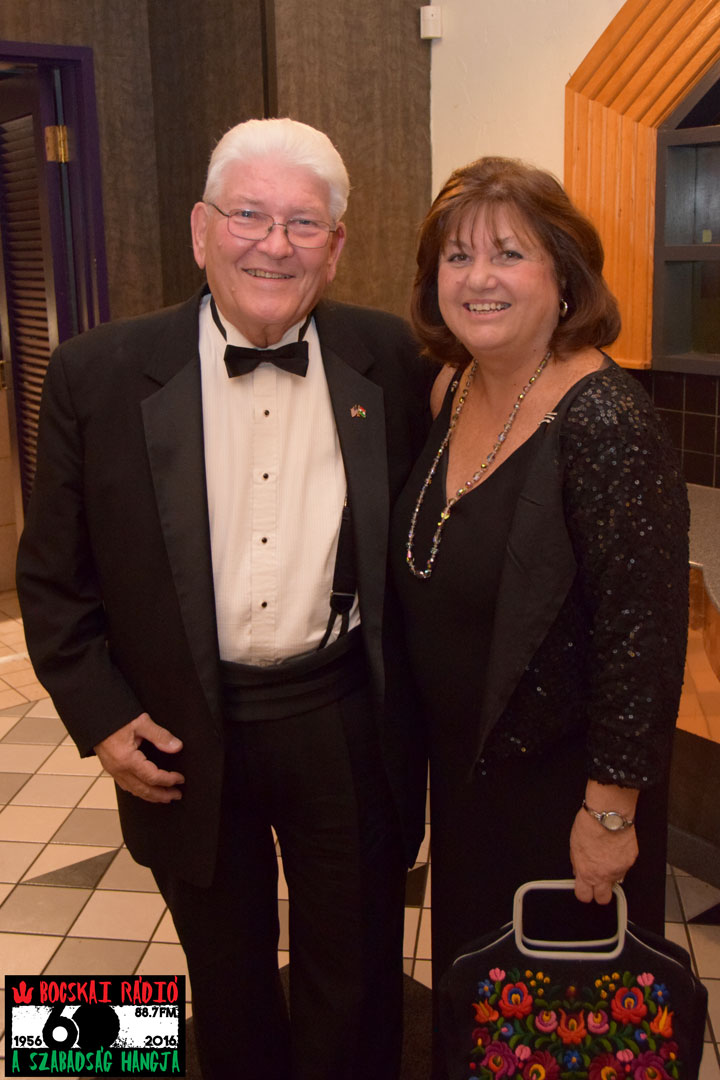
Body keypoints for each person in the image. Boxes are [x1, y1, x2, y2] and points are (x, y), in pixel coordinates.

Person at [16, 117, 431, 1080]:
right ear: (202, 229)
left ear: (335, 246)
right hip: (178, 731)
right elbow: (53, 580)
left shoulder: (396, 361)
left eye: (303, 223)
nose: (274, 244)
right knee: (226, 970)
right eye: (249, 215)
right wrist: (103, 717)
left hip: (342, 715)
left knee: (356, 969)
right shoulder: (94, 373)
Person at [390, 156, 689, 1078]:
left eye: (508, 254)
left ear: (564, 275)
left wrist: (608, 816)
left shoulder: (606, 421)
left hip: (566, 796)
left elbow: (644, 638)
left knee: (569, 1035)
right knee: (485, 1012)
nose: (478, 278)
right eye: (457, 256)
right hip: (472, 783)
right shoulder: (451, 390)